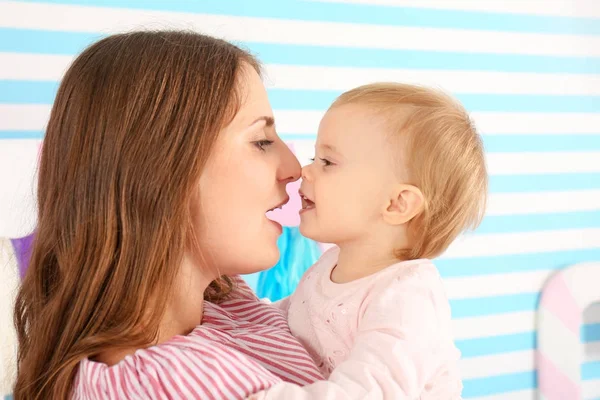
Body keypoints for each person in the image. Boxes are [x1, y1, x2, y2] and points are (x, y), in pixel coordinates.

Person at [12, 30, 324, 399]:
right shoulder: (166, 384)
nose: (294, 168)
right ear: (160, 169)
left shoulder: (226, 309)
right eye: (261, 141)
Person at [254, 83, 488, 399]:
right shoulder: (332, 264)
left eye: (327, 162)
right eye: (314, 156)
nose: (304, 172)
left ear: (396, 204)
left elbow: (368, 393)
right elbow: (292, 323)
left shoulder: (407, 299)